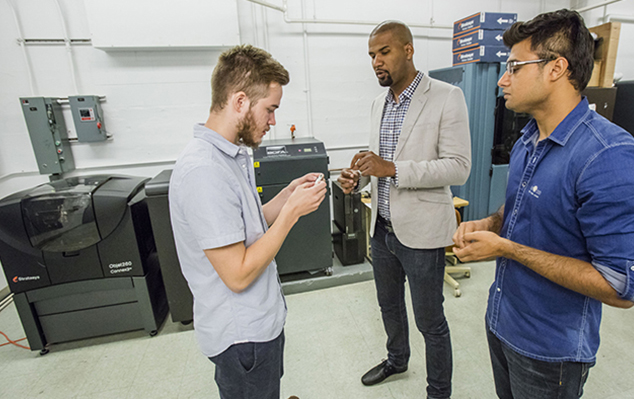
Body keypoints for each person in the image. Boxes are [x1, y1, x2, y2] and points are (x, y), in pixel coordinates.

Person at [452, 9, 634, 399]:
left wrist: (507, 249)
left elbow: (622, 287)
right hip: (503, 321)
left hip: (550, 352)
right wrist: (491, 225)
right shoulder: (528, 140)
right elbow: (521, 214)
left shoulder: (610, 158)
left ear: (556, 68)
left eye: (515, 67)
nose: (503, 79)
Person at [169, 44, 326, 399]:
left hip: (259, 326)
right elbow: (237, 274)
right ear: (240, 102)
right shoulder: (204, 171)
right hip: (242, 337)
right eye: (270, 110)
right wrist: (291, 214)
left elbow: (244, 227)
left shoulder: (229, 155)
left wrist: (285, 196)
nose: (273, 122)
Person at [337, 21, 471, 399]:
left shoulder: (446, 96)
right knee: (389, 307)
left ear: (408, 50)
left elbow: (459, 166)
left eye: (384, 52)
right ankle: (397, 359)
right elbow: (378, 165)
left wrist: (392, 168)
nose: (376, 62)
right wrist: (358, 178)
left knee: (431, 321)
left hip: (423, 232)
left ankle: (438, 391)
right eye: (371, 56)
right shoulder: (379, 103)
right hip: (382, 229)